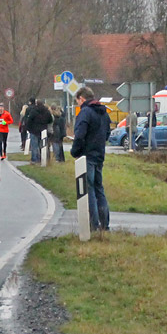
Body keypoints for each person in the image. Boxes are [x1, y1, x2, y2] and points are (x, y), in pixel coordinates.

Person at [70, 87, 112, 232]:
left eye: (78, 102)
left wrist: (75, 151)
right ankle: (105, 225)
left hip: (87, 156)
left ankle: (94, 225)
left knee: (90, 190)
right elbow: (107, 133)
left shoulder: (85, 113)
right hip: (99, 155)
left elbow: (80, 135)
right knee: (99, 188)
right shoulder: (104, 113)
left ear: (82, 98)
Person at [23, 98, 52, 164]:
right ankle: (43, 158)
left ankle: (34, 159)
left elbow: (29, 120)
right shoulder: (46, 111)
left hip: (34, 130)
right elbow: (50, 120)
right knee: (43, 145)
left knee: (34, 146)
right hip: (43, 130)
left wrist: (28, 128)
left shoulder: (34, 111)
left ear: (36, 103)